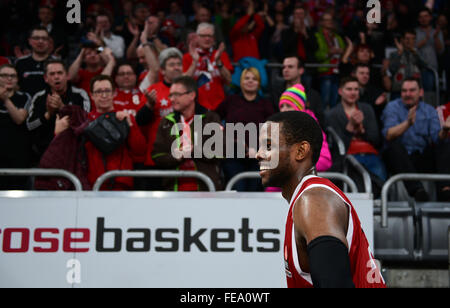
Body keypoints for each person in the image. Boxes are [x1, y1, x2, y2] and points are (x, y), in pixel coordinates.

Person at [255, 111, 386, 288]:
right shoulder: (308, 197)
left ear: (301, 151)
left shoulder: (314, 201)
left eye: (269, 146)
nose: (258, 154)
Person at [382, 78, 449, 201]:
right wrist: (408, 123)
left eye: (412, 90)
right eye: (404, 91)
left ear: (421, 92)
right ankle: (418, 191)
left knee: (445, 144)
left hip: (421, 157)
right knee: (393, 146)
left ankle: (445, 189)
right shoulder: (392, 107)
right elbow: (389, 134)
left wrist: (444, 130)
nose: (407, 94)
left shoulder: (429, 110)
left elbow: (436, 138)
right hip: (400, 159)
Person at [152, 76, 223, 191]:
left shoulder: (210, 118)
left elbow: (220, 152)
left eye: (177, 95)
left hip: (206, 189)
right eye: (171, 95)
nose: (172, 99)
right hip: (173, 190)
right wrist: (177, 157)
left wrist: (194, 151)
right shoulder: (166, 122)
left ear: (192, 95)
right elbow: (157, 156)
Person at [216, 67, 274, 191]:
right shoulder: (231, 101)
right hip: (233, 157)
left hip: (258, 159)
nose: (250, 81)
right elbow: (214, 118)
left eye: (254, 79)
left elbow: (273, 131)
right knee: (237, 191)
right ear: (241, 81)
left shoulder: (266, 104)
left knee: (254, 193)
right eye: (247, 78)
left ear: (259, 83)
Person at [86, 75, 146, 190]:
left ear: (114, 93)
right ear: (91, 95)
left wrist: (130, 125)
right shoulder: (86, 121)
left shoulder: (125, 118)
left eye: (107, 91)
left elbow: (140, 152)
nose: (104, 95)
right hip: (92, 183)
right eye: (99, 91)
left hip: (121, 182)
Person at [26, 59, 91, 164]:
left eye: (60, 73)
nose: (56, 77)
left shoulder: (80, 95)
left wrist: (62, 108)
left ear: (67, 76)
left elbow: (85, 123)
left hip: (73, 155)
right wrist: (48, 114)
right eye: (52, 74)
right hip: (44, 155)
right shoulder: (39, 97)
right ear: (46, 78)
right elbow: (29, 126)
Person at [327, 77, 387, 184]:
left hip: (370, 154)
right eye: (349, 89)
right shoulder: (332, 114)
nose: (353, 92)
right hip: (348, 157)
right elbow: (338, 148)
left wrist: (362, 130)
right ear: (340, 91)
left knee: (380, 185)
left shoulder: (367, 109)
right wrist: (350, 127)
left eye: (356, 89)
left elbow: (376, 139)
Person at [279, 84, 332, 173]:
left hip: (305, 183)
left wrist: (297, 167)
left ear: (299, 108)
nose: (283, 110)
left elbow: (325, 160)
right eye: (281, 106)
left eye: (288, 106)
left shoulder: (312, 129)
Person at [183, 23, 233, 111]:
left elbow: (229, 80)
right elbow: (184, 84)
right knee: (197, 125)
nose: (207, 38)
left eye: (210, 36)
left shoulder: (221, 55)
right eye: (203, 36)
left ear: (214, 38)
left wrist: (218, 61)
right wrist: (194, 62)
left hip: (219, 107)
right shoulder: (188, 57)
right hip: (195, 108)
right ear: (197, 37)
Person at [0, 64, 32, 189]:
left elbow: (19, 119)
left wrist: (6, 100)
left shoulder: (24, 97)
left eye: (12, 76)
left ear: (17, 79)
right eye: (4, 75)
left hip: (18, 159)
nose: (9, 79)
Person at [273, 56, 324, 128]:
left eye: (290, 67)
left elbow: (320, 121)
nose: (285, 70)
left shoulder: (312, 94)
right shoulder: (276, 92)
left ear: (301, 70)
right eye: (284, 67)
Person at [314, 12, 345, 110]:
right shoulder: (317, 36)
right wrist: (329, 53)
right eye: (327, 20)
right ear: (322, 22)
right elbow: (316, 55)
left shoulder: (337, 37)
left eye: (331, 20)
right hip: (325, 71)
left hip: (337, 70)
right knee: (325, 101)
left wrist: (341, 51)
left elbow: (344, 51)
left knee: (335, 101)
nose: (329, 22)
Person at [385, 30, 427, 100]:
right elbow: (392, 69)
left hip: (415, 90)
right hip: (398, 90)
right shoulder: (394, 54)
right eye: (407, 38)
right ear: (402, 40)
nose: (410, 41)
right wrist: (400, 53)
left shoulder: (417, 54)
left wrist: (415, 53)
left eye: (413, 39)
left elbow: (425, 66)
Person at [15, 26, 53, 97]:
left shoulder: (56, 63)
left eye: (44, 38)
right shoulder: (20, 63)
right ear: (29, 41)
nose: (40, 41)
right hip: (24, 105)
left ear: (49, 41)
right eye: (36, 38)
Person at [415, 7, 444, 92]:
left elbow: (440, 51)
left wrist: (435, 38)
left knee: (429, 94)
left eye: (426, 16)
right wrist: (425, 40)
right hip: (417, 69)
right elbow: (412, 48)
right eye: (421, 17)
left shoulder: (436, 32)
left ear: (430, 17)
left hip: (431, 69)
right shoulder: (415, 32)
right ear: (418, 19)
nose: (423, 19)